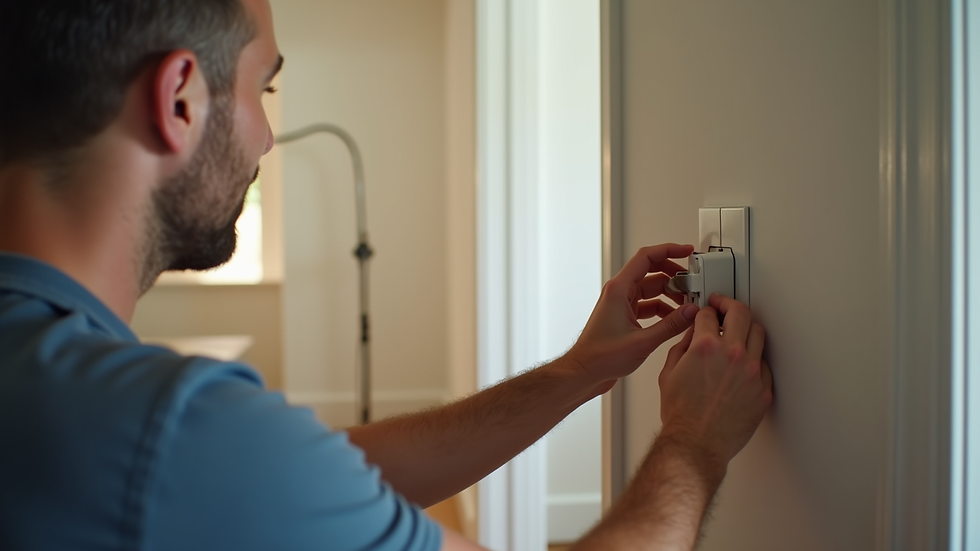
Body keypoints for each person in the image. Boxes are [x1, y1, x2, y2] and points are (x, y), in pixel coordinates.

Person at [0, 0, 773, 549]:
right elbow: (253, 464)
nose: (267, 137)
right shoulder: (164, 430)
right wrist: (694, 440)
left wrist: (577, 372)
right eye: (262, 87)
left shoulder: (54, 380)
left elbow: (317, 471)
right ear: (178, 99)